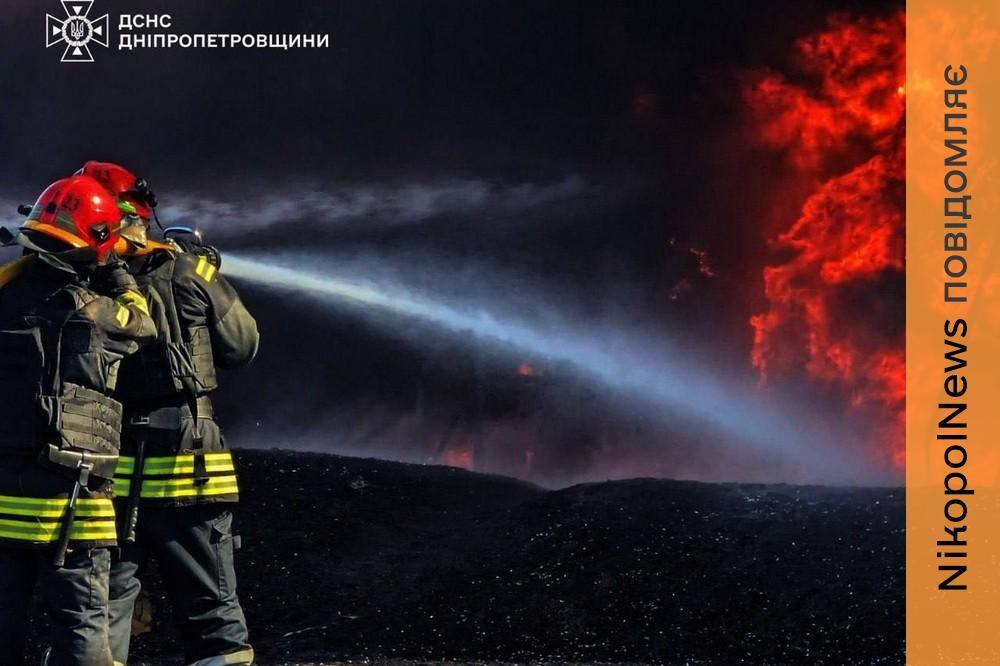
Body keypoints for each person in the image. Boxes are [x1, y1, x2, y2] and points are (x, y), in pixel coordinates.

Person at [79, 162, 259, 666]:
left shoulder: (86, 280)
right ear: (139, 216)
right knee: (213, 616)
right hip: (190, 466)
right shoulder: (188, 272)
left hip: (107, 468)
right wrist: (204, 275)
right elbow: (242, 346)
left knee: (104, 612)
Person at [0, 174, 156, 665]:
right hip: (71, 497)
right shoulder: (95, 311)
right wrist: (117, 274)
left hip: (5, 497)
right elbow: (143, 323)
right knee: (82, 625)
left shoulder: (8, 295)